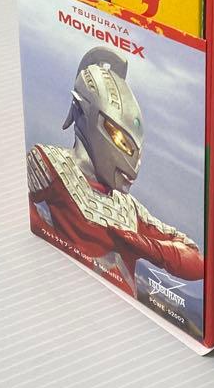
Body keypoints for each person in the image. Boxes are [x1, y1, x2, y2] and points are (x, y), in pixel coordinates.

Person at [27, 47, 203, 293]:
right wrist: (59, 248)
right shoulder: (52, 164)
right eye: (121, 140)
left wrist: (152, 249)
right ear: (83, 111)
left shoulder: (129, 209)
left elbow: (196, 260)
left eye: (136, 150)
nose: (133, 162)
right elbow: (21, 213)